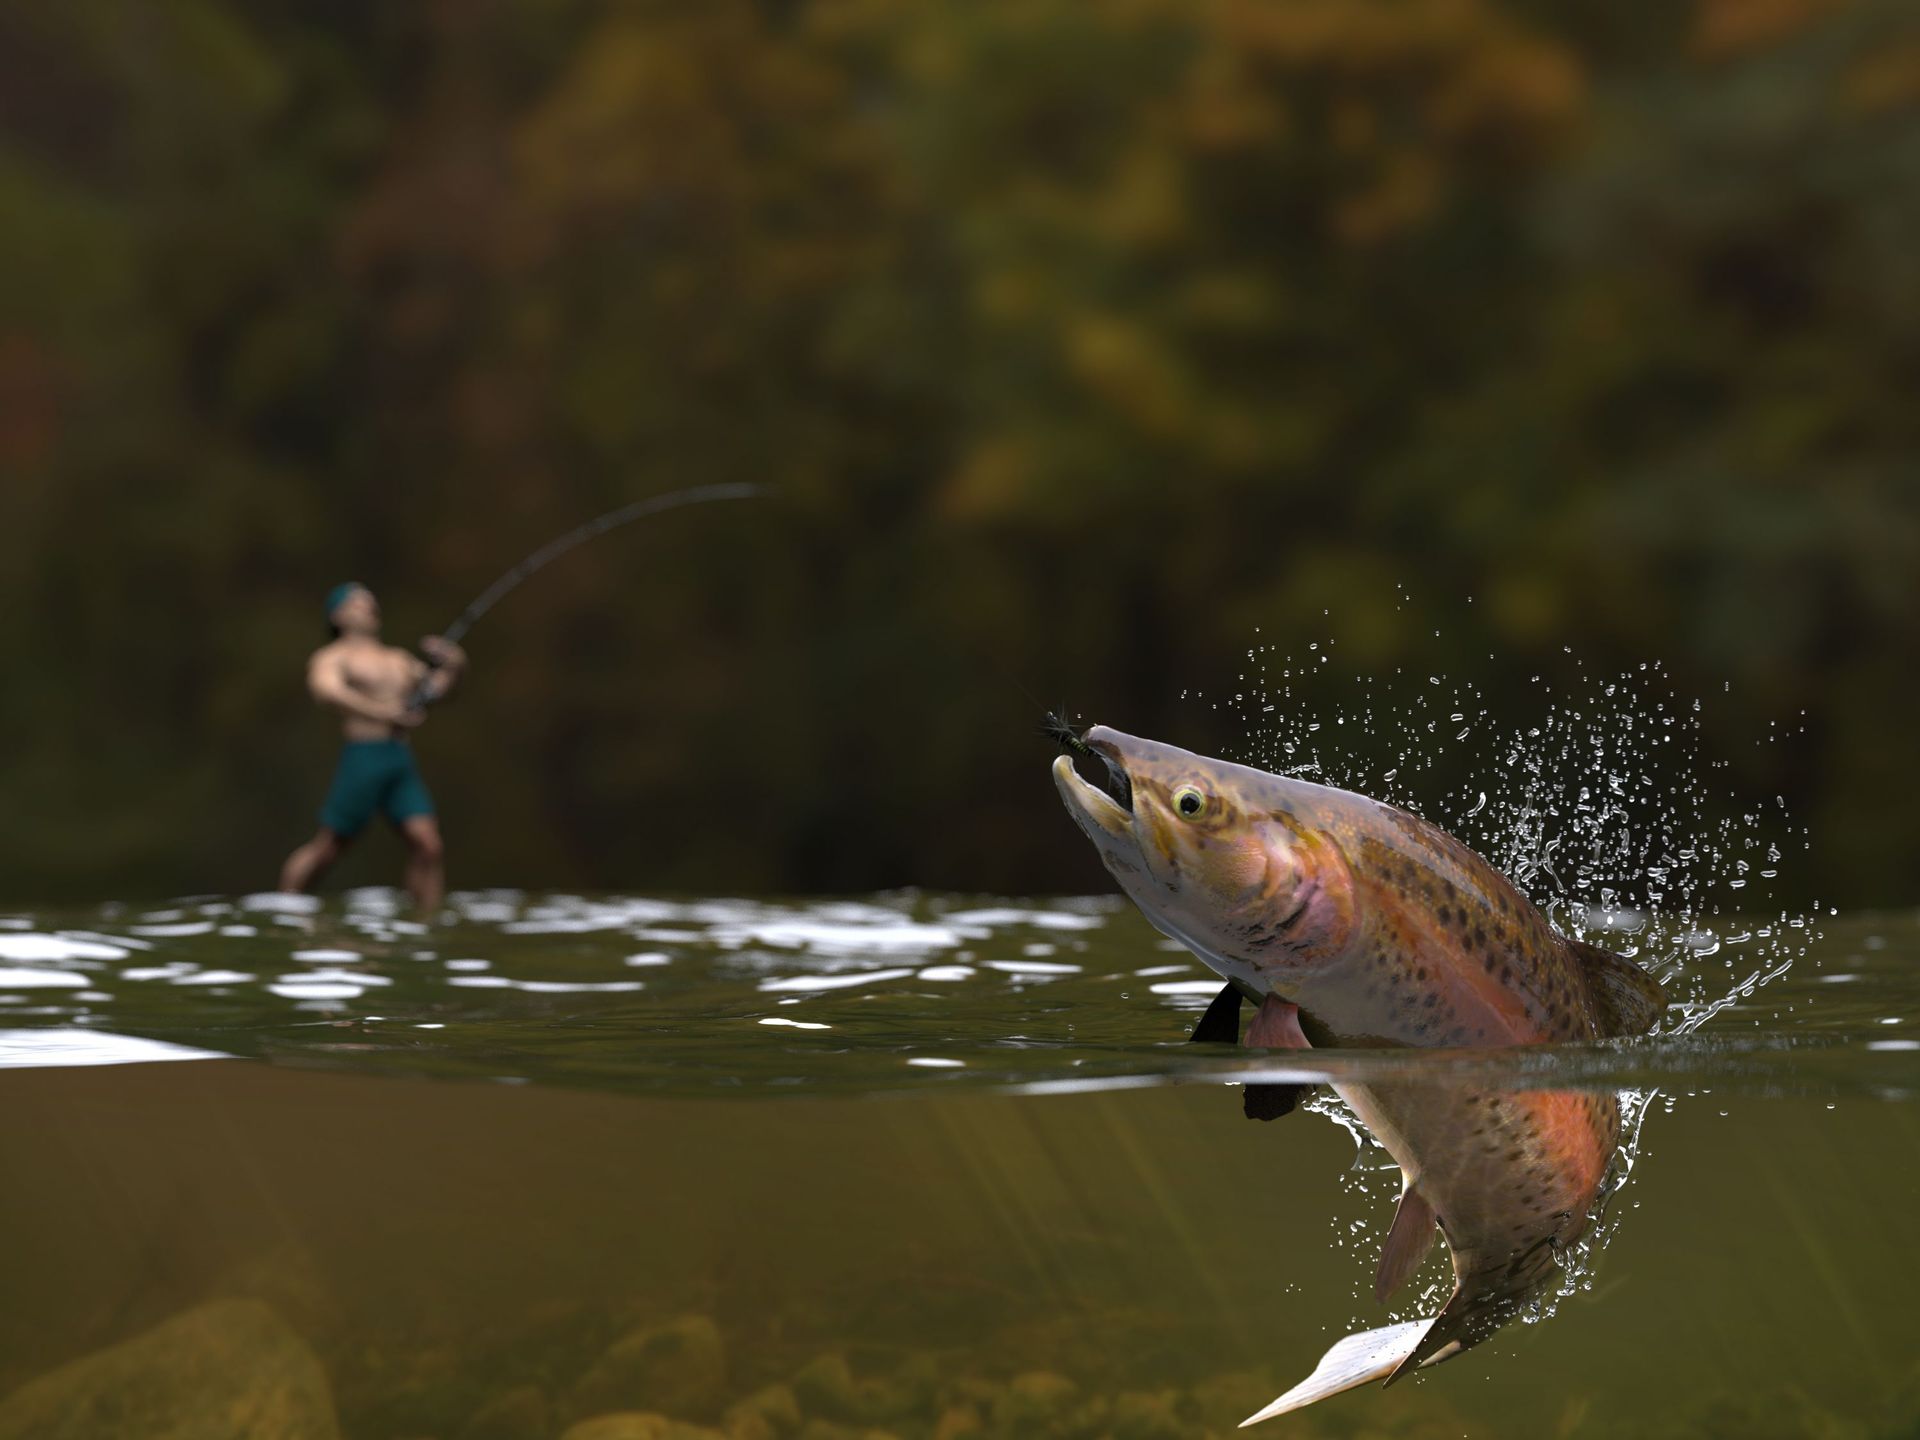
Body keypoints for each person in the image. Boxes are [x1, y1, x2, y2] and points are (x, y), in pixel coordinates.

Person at [279, 583, 466, 913]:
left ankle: (424, 921)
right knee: (329, 847)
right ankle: (286, 904)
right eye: (355, 602)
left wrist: (453, 665)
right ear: (337, 616)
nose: (367, 606)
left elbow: (434, 690)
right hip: (363, 757)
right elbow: (328, 691)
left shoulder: (398, 659)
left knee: (428, 844)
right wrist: (383, 712)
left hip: (398, 759)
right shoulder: (333, 657)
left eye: (370, 602)